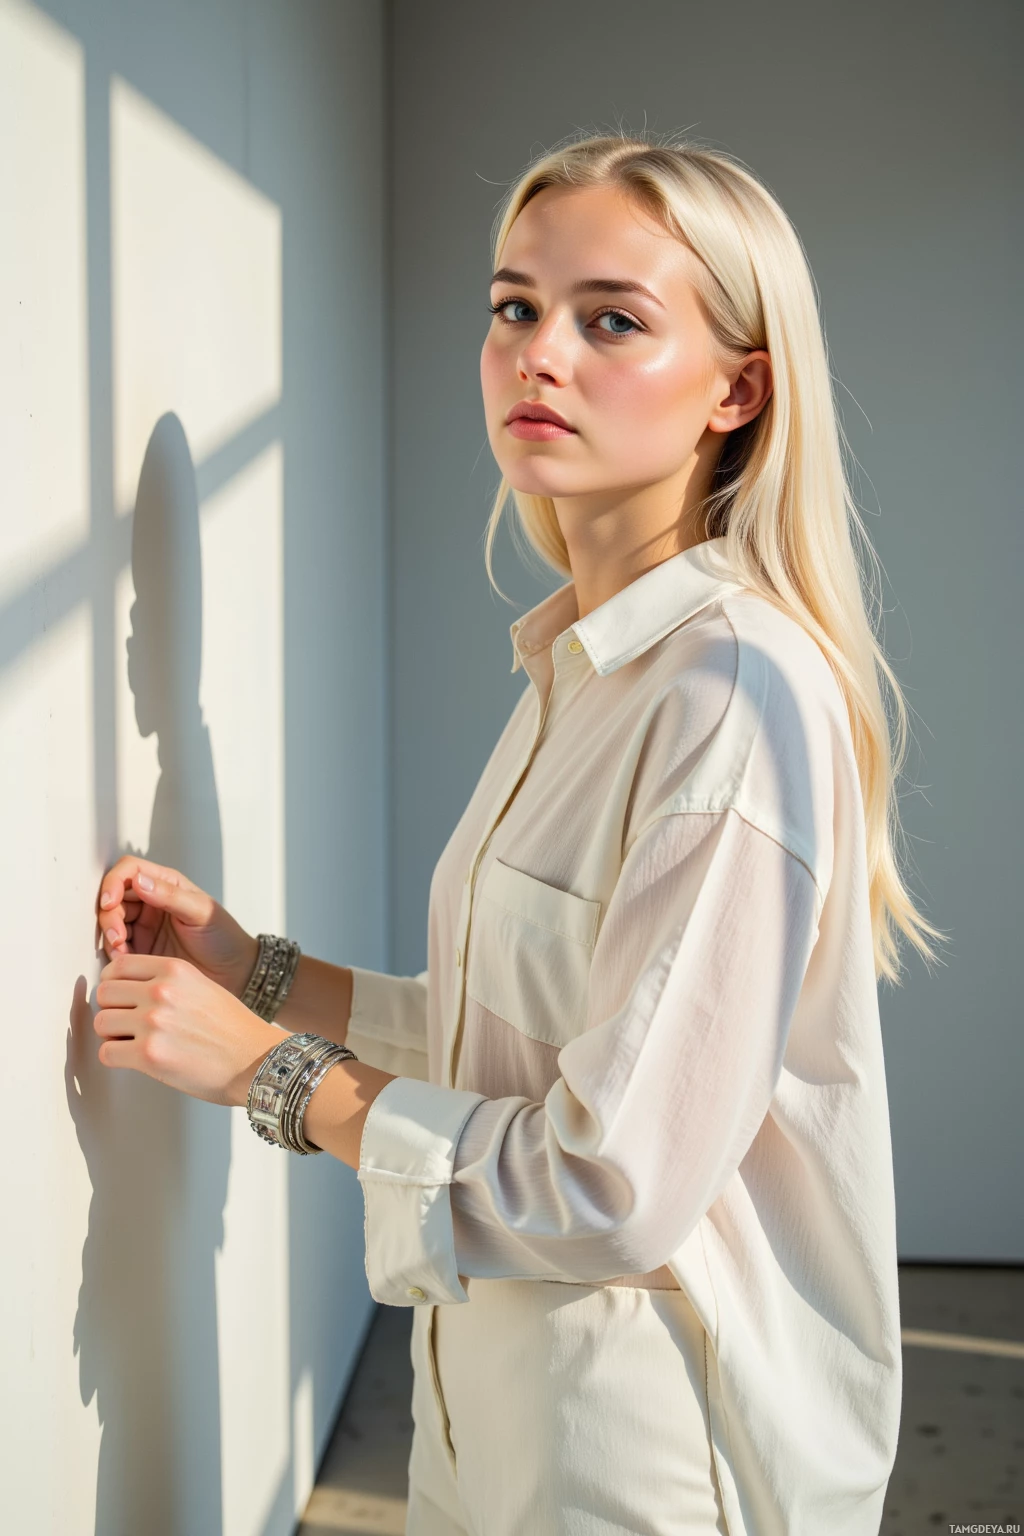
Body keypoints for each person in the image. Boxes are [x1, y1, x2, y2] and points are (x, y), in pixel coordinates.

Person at [93, 132, 942, 1535]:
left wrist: (276, 1074)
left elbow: (612, 1179)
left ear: (741, 388)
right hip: (482, 1396)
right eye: (513, 308)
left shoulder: (731, 696)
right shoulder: (583, 671)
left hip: (646, 1439)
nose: (540, 353)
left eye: (612, 318)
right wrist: (255, 970)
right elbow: (524, 1035)